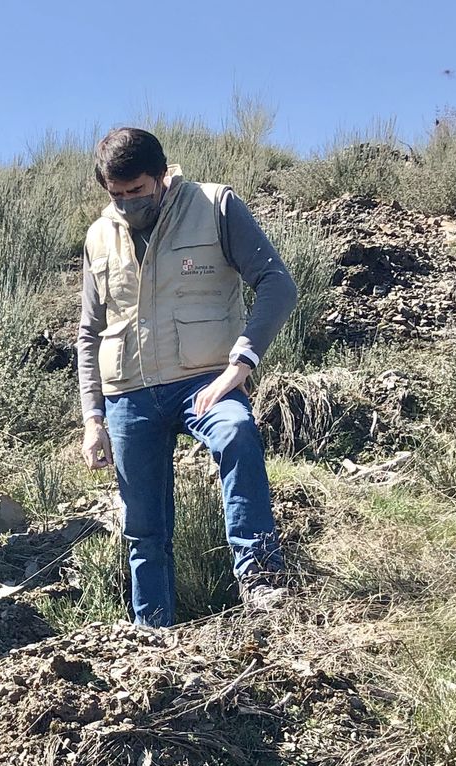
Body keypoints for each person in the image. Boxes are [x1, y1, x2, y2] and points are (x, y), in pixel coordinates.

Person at [76, 127, 298, 628]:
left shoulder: (215, 205)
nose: (128, 203)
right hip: (128, 393)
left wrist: (241, 364)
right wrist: (93, 418)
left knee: (237, 431)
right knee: (142, 529)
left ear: (162, 175)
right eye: (117, 195)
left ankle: (261, 580)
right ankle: (153, 637)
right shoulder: (98, 236)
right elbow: (88, 333)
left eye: (137, 191)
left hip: (205, 380)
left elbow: (277, 285)